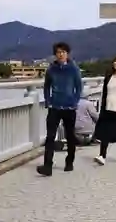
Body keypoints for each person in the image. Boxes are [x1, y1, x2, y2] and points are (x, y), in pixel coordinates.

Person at [37, 42, 82, 177]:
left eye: (63, 52)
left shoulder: (74, 69)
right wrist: (48, 101)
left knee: (70, 135)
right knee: (50, 137)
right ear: (55, 54)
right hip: (54, 107)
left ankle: (69, 162)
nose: (60, 54)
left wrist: (75, 101)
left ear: (67, 53)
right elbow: (46, 87)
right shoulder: (51, 69)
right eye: (58, 52)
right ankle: (47, 166)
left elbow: (79, 87)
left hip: (69, 107)